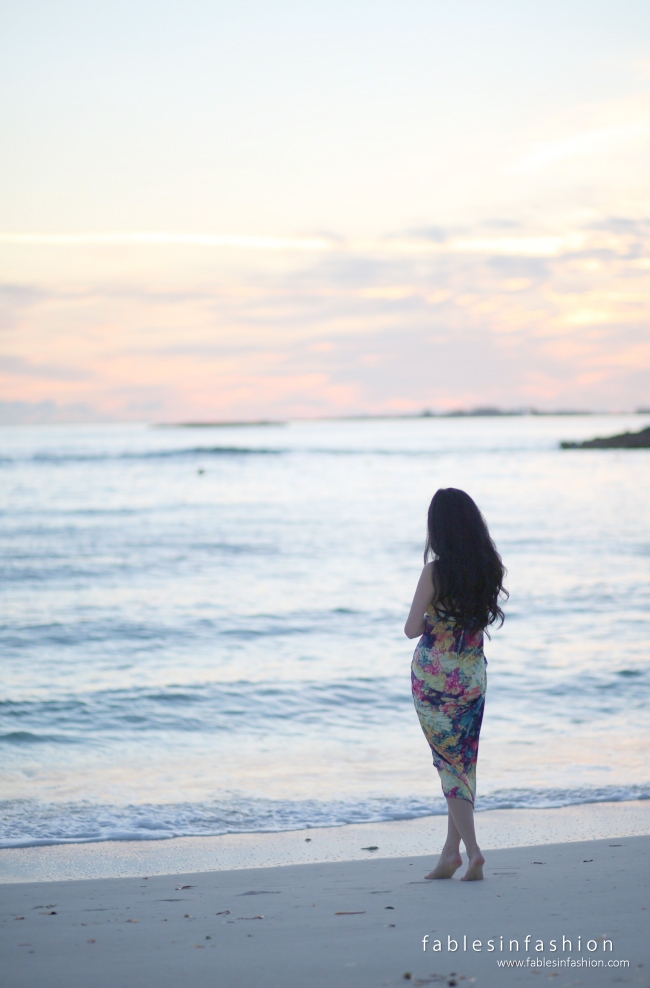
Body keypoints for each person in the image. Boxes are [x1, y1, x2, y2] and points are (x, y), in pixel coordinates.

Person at [404, 488, 507, 881]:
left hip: (433, 680)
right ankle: (450, 854)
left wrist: (435, 621)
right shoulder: (489, 567)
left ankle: (474, 851)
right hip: (472, 677)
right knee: (462, 763)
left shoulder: (435, 572)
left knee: (448, 764)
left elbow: (411, 629)